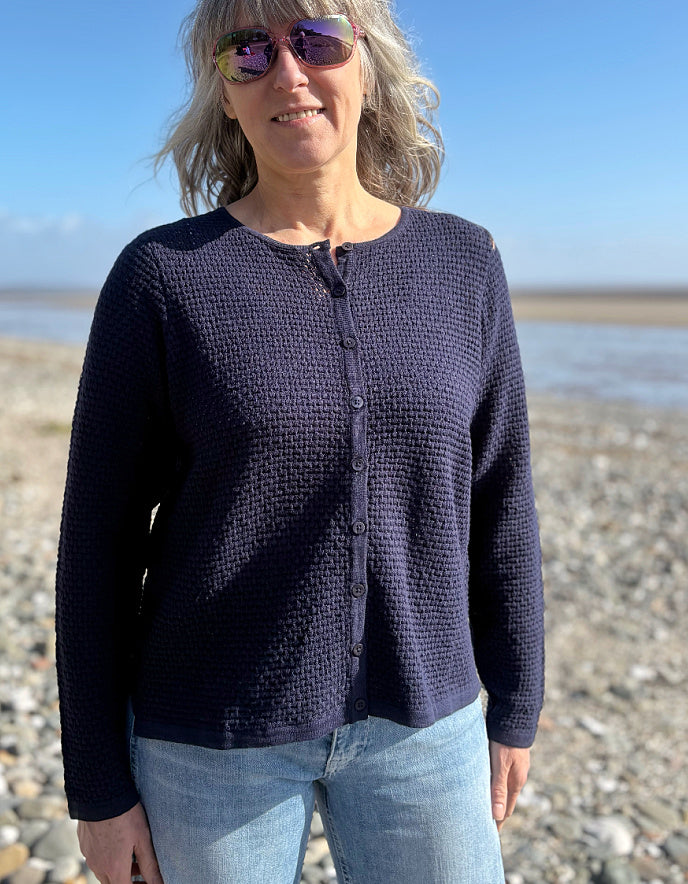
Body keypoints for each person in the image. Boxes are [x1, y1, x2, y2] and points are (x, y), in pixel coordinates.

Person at [55, 0, 545, 881]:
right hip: (209, 743)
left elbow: (503, 502)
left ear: (368, 66)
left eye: (317, 40)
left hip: (425, 733)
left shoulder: (465, 265)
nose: (288, 71)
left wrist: (515, 708)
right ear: (225, 91)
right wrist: (97, 786)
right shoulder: (161, 280)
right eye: (250, 51)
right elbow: (97, 547)